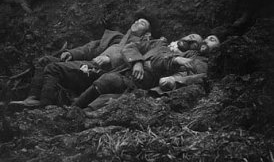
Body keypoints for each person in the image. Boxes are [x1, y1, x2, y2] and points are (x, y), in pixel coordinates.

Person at [16, 11, 160, 107]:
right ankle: (32, 98)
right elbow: (91, 47)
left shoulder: (145, 44)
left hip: (100, 73)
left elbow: (140, 57)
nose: (136, 22)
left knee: (54, 69)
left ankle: (44, 107)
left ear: (147, 33)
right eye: (136, 20)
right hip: (89, 66)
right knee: (45, 61)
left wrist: (109, 59)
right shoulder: (116, 38)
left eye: (142, 23)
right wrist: (72, 53)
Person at [73, 33, 220, 109]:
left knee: (107, 86)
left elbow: (169, 68)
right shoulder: (158, 43)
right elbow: (130, 47)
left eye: (194, 43)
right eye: (190, 37)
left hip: (138, 86)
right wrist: (137, 62)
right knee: (98, 80)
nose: (189, 41)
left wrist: (174, 66)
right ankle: (73, 108)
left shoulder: (183, 60)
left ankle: (75, 110)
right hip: (123, 70)